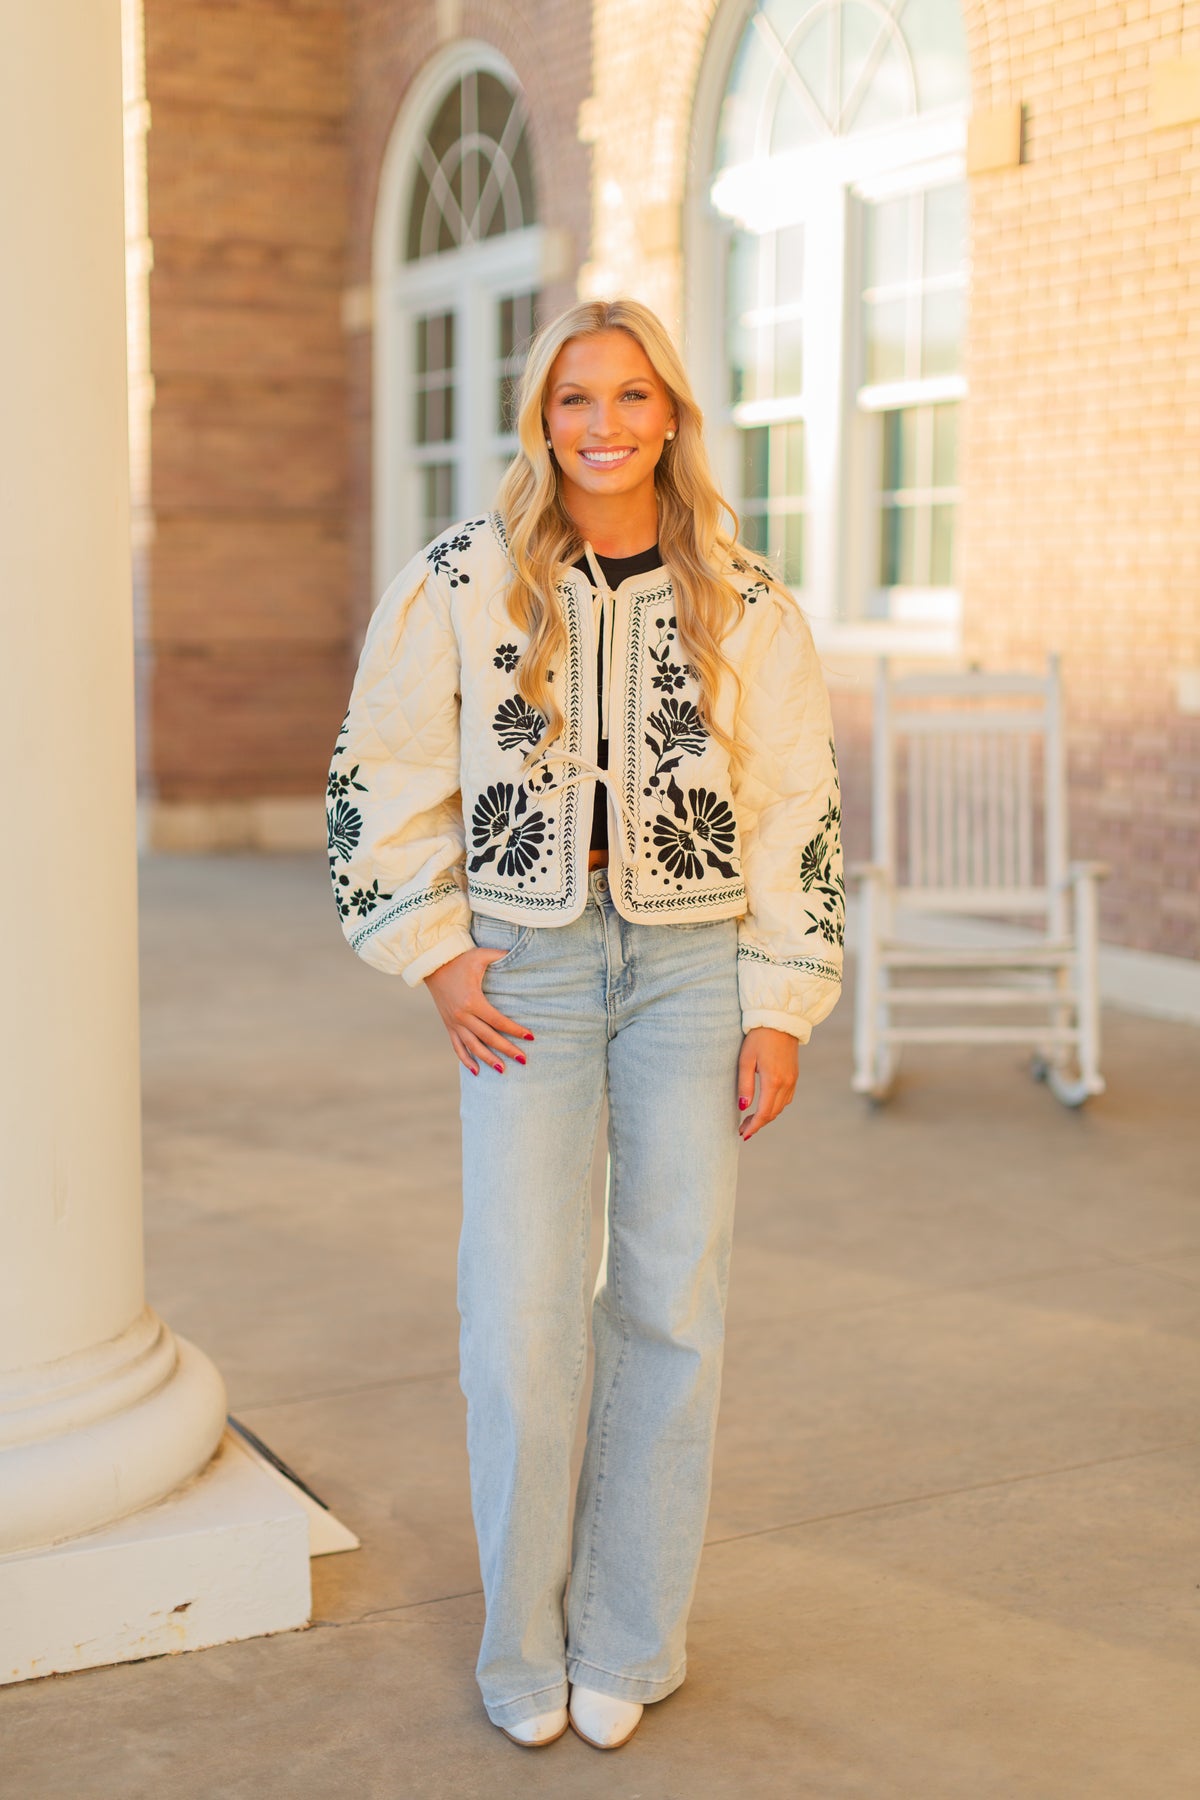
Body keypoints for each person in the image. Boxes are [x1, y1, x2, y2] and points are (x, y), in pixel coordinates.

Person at [327, 298, 843, 1751]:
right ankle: (524, 1638)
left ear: (671, 415)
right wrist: (436, 952)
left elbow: (795, 801)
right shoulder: (462, 578)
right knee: (519, 1314)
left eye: (630, 396)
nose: (603, 425)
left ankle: (629, 1634)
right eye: (575, 398)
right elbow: (381, 767)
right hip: (529, 971)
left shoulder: (745, 599)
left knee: (671, 1300)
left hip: (692, 970)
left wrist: (783, 999)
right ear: (540, 419)